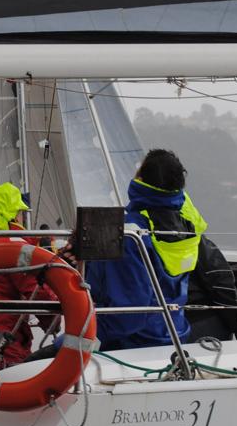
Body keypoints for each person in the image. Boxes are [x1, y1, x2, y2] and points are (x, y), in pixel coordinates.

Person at [83, 149, 206, 350]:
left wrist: (90, 334)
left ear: (140, 179)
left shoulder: (126, 232)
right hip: (174, 336)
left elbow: (130, 311)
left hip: (126, 344)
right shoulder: (189, 227)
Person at [0, 182, 57, 368]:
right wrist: (52, 324)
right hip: (6, 341)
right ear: (11, 215)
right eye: (20, 213)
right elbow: (37, 292)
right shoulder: (14, 247)